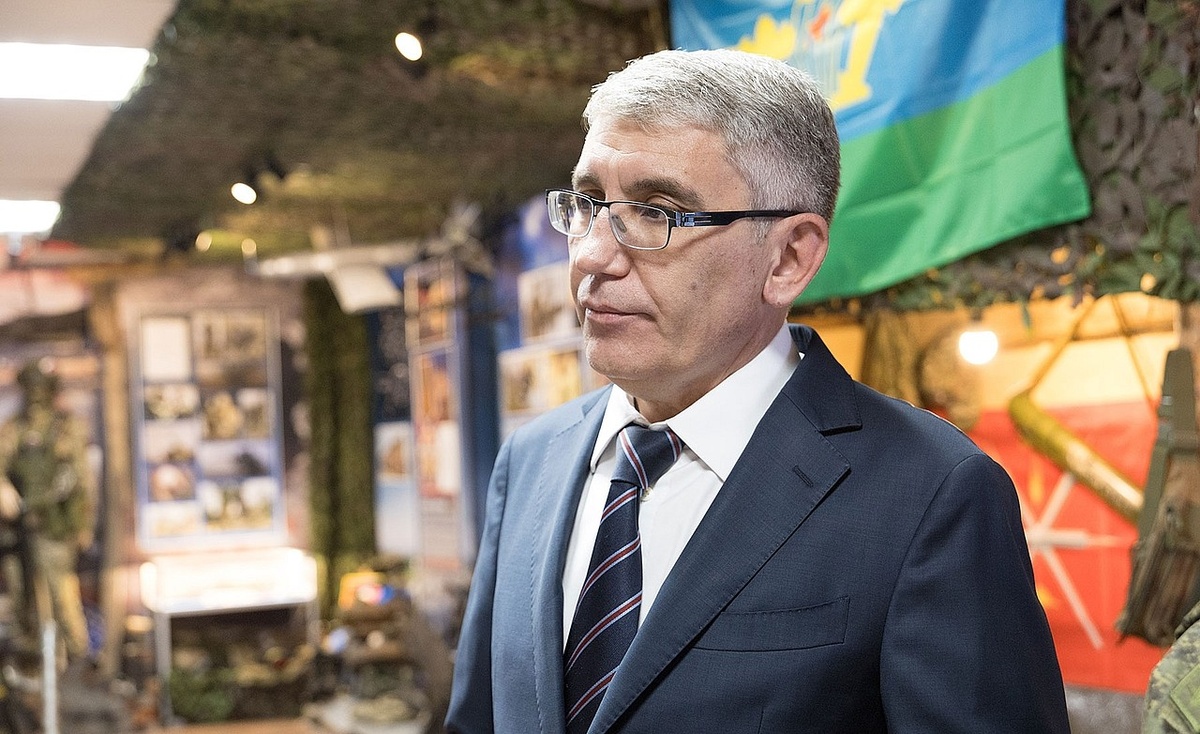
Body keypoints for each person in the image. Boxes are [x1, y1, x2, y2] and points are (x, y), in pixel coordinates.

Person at [446, 48, 1069, 733]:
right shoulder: (531, 460)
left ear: (789, 258)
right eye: (589, 203)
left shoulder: (930, 494)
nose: (593, 254)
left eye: (657, 212)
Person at [0, 360, 95, 662]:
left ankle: (76, 659)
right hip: (19, 529)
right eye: (31, 388)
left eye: (41, 388)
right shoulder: (14, 428)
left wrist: (84, 525)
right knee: (22, 598)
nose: (36, 396)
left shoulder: (66, 427)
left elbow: (80, 479)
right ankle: (35, 663)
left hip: (54, 527)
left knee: (61, 595)